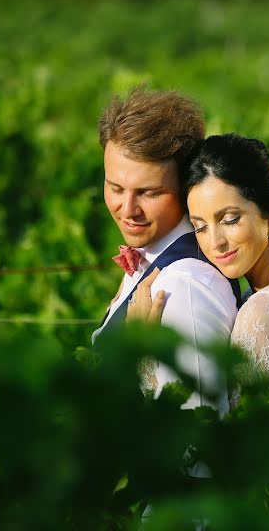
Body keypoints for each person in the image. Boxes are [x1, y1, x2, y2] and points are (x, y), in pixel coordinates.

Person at [134, 134, 269, 379]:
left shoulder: (265, 311)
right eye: (200, 227)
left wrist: (144, 353)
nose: (216, 243)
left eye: (230, 219)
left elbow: (232, 417)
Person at [91, 88, 241, 412]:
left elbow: (197, 431)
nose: (127, 209)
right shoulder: (152, 258)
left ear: (186, 187)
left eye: (148, 192)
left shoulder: (186, 287)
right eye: (115, 187)